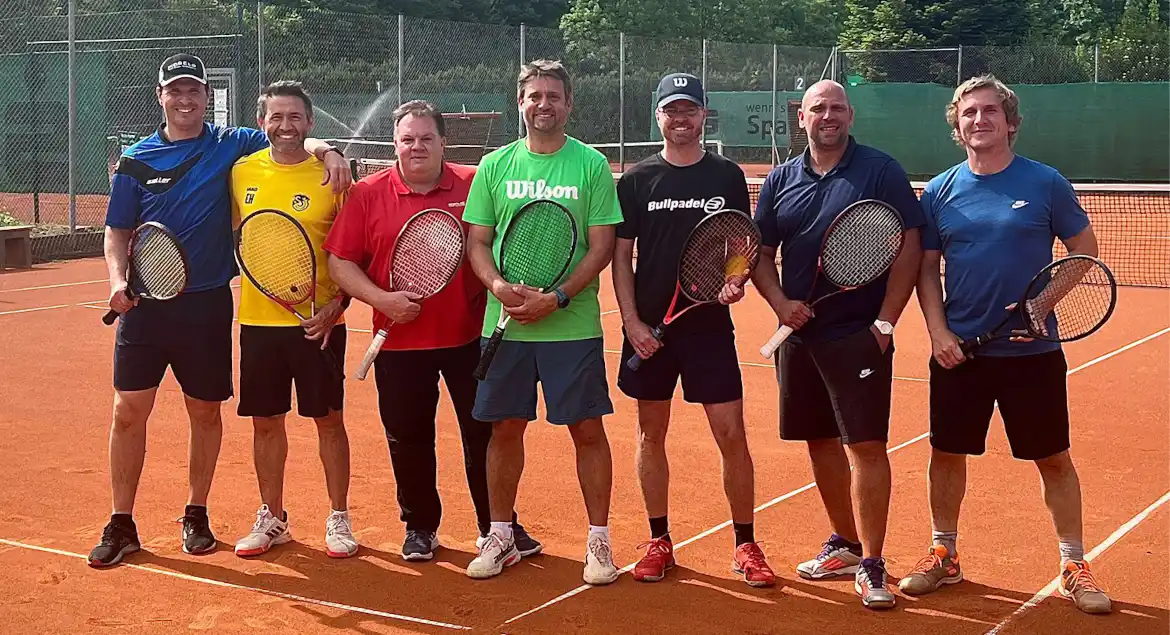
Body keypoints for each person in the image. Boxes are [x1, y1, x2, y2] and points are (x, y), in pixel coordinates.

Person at [88, 53, 350, 568]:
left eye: (194, 90)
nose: (184, 99)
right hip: (145, 305)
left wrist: (333, 149)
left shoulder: (232, 144)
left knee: (204, 413)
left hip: (207, 305)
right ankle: (122, 522)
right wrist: (117, 281)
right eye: (175, 90)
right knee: (127, 412)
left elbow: (291, 135)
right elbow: (116, 230)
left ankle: (196, 512)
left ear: (207, 96)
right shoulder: (137, 159)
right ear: (160, 95)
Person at [900, 74, 1111, 615]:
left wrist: (1042, 307)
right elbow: (926, 269)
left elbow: (1083, 250)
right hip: (959, 353)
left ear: (1010, 122)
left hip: (1032, 354)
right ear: (957, 124)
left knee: (1053, 459)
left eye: (990, 111)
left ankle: (1073, 562)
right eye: (968, 112)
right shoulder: (942, 189)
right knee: (946, 454)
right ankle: (943, 552)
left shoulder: (1044, 183)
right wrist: (939, 332)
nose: (979, 119)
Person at [324, 99, 540, 562]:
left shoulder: (476, 182)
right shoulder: (366, 193)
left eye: (426, 138)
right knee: (408, 438)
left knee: (482, 434)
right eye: (407, 139)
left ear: (443, 142)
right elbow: (340, 261)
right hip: (399, 345)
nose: (416, 147)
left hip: (471, 341)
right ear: (395, 144)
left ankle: (497, 526)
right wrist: (381, 300)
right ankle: (420, 526)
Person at [750, 79, 923, 609]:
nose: (828, 116)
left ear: (850, 116)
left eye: (837, 108)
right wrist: (780, 304)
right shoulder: (781, 178)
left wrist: (886, 323)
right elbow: (758, 250)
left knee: (865, 446)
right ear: (800, 118)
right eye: (817, 108)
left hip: (858, 336)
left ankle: (872, 562)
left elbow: (908, 246)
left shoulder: (880, 170)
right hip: (798, 339)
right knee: (819, 441)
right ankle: (845, 543)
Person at [462, 59, 622, 585]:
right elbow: (477, 242)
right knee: (504, 429)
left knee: (586, 430)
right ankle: (502, 536)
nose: (544, 104)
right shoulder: (495, 166)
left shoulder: (591, 166)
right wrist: (498, 287)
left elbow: (601, 248)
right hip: (503, 324)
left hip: (571, 327)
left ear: (568, 104)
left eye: (554, 96)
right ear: (520, 102)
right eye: (535, 96)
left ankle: (598, 542)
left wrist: (557, 297)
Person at [613, 72, 774, 587]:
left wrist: (734, 282)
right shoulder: (637, 180)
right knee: (649, 433)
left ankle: (745, 544)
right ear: (657, 116)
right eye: (670, 109)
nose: (680, 118)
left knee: (731, 435)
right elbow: (621, 257)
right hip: (649, 331)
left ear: (704, 114)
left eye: (689, 109)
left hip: (708, 328)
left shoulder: (726, 176)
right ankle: (659, 540)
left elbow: (738, 243)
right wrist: (633, 321)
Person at [228, 80, 358, 559]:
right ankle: (272, 516)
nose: (285, 126)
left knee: (329, 421)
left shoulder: (333, 177)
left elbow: (354, 252)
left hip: (321, 324)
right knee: (266, 422)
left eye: (295, 117)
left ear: (309, 123)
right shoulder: (240, 171)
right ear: (262, 123)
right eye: (276, 117)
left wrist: (337, 306)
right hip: (259, 323)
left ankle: (339, 517)